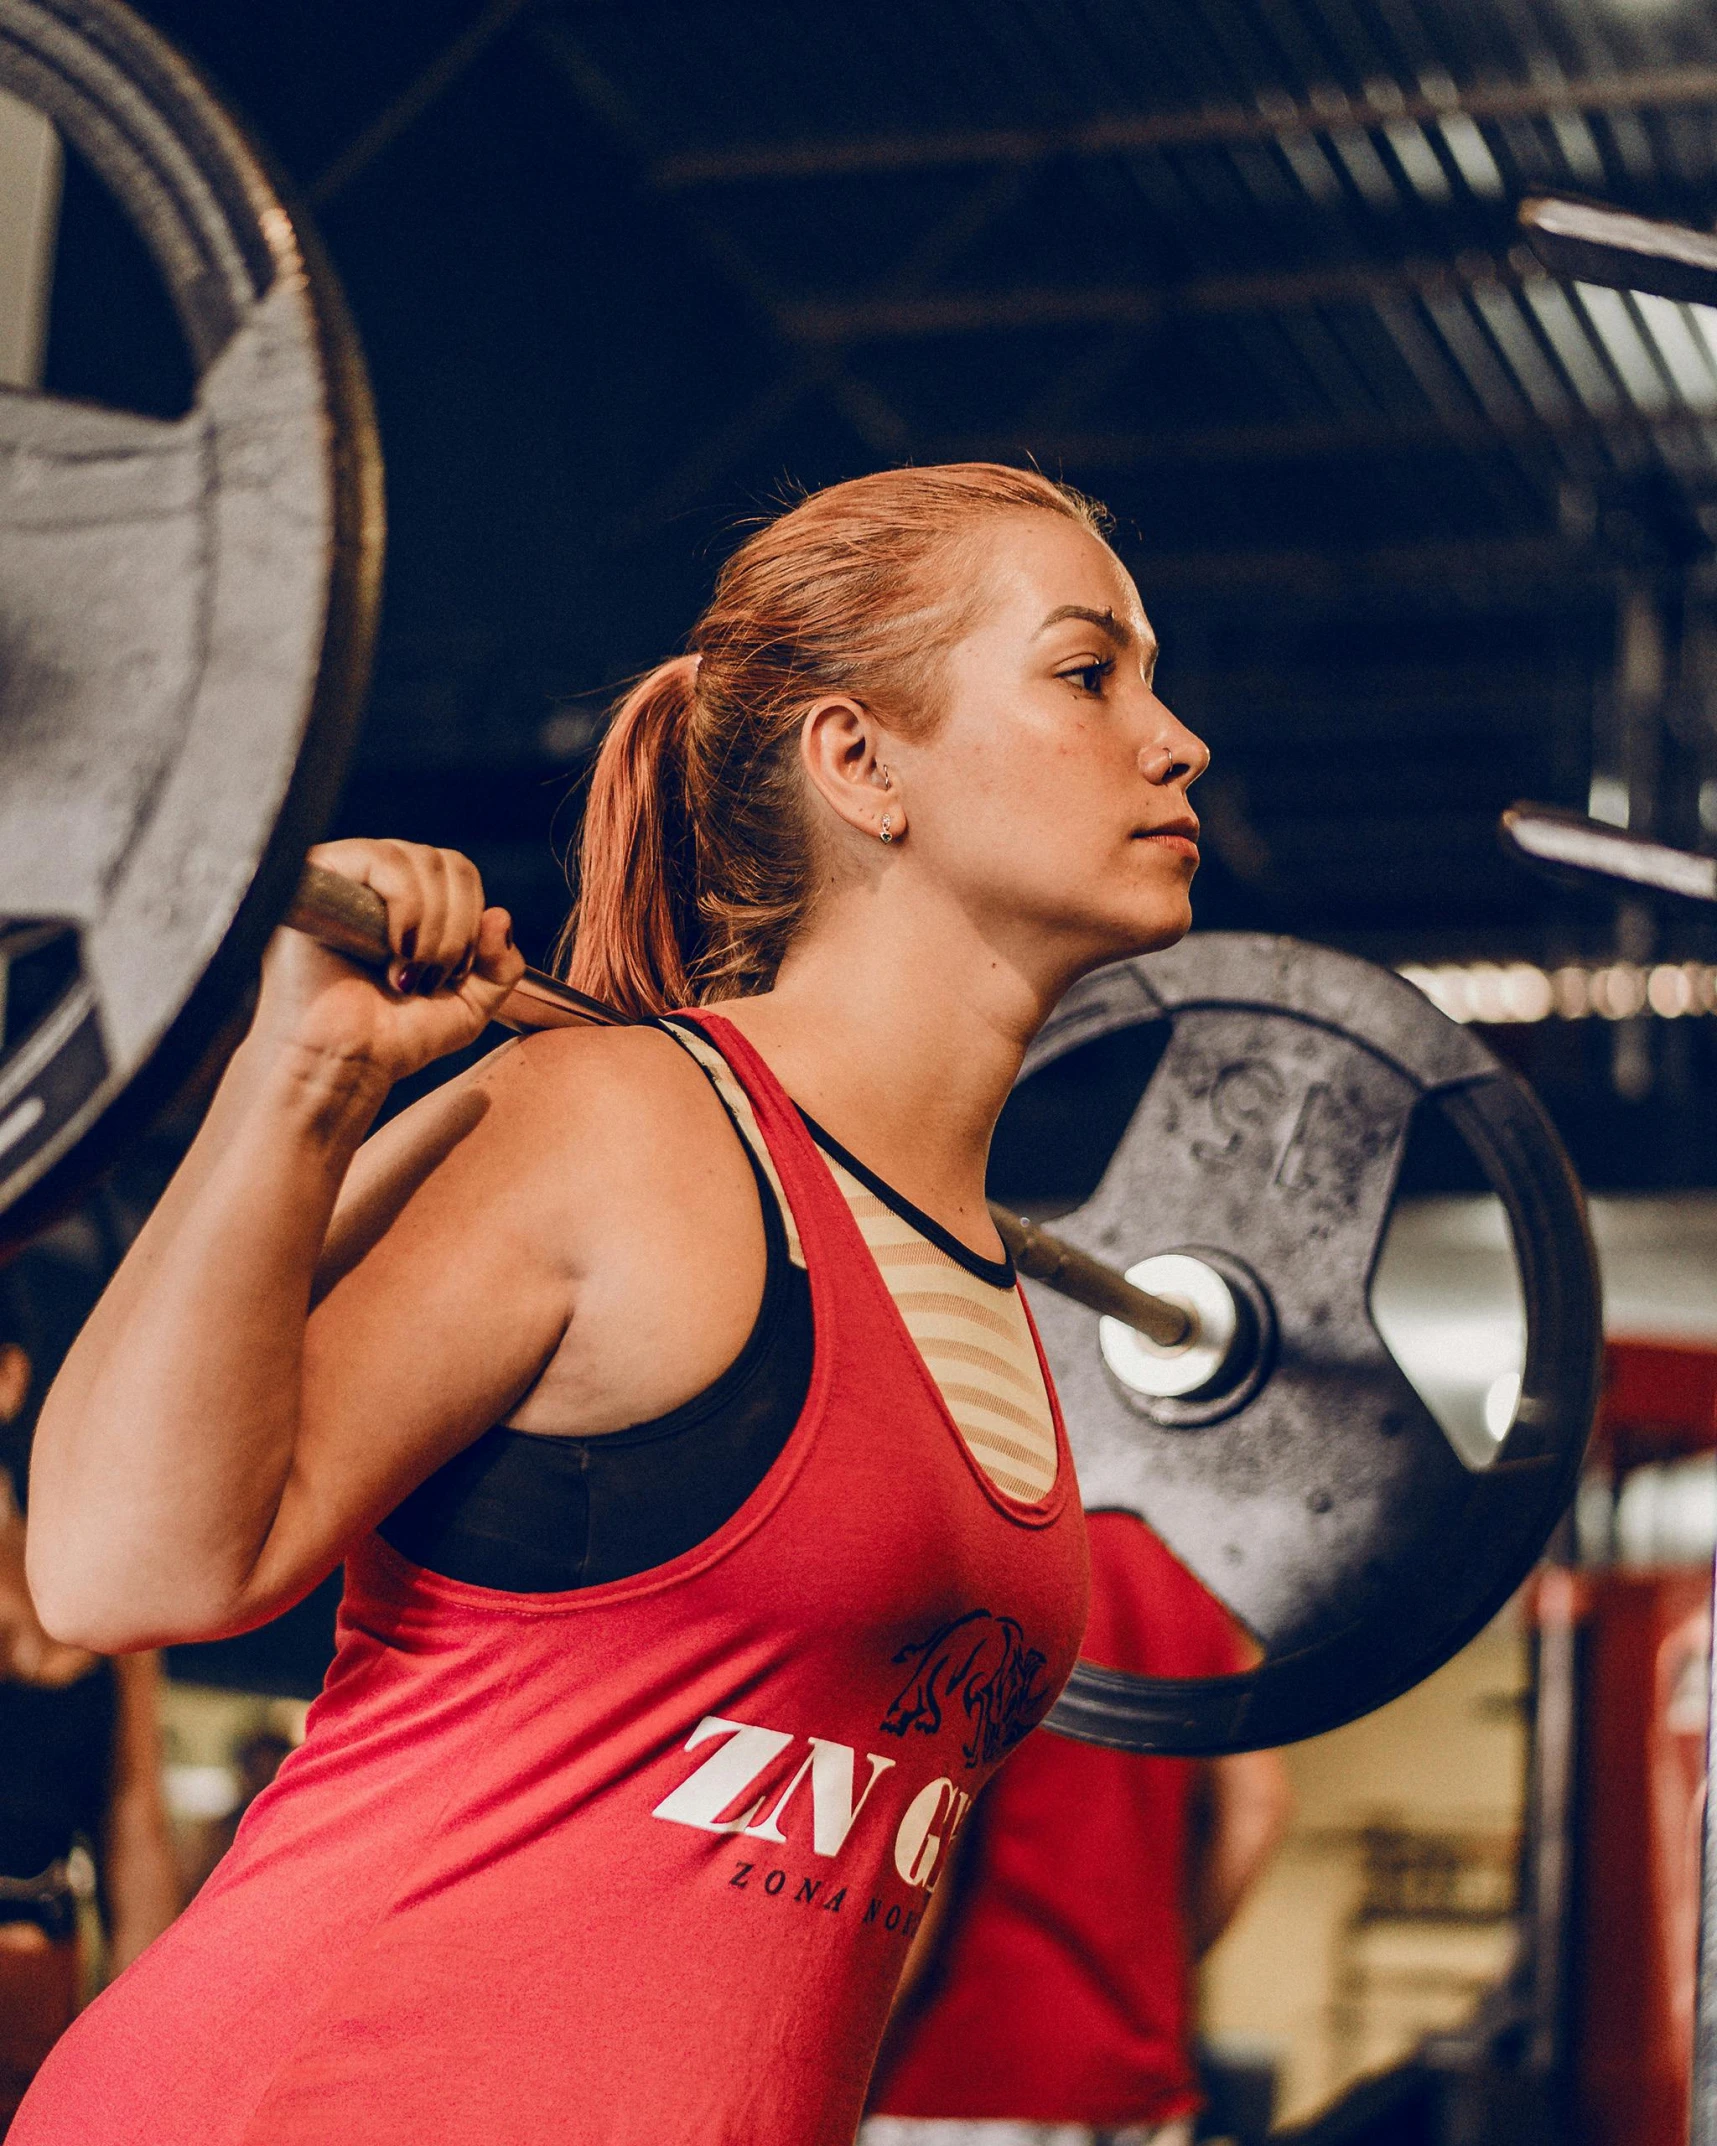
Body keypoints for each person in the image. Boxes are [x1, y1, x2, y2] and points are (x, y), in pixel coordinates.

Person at [15, 463, 1208, 2146]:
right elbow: (118, 1565)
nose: (1174, 739)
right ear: (860, 764)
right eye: (1089, 675)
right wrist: (303, 1072)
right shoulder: (622, 1130)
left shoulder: (963, 1267)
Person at [863, 1511, 1292, 2146]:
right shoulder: (1184, 1572)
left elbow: (925, 1844)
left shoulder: (991, 1549)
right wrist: (1151, 1965)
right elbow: (1259, 1807)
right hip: (1137, 2080)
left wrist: (830, 2056)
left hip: (959, 2072)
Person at [0, 1266, 179, 2133]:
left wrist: (148, 2056)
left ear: (8, 1379)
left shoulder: (86, 1581)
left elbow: (133, 1827)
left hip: (40, 1982)